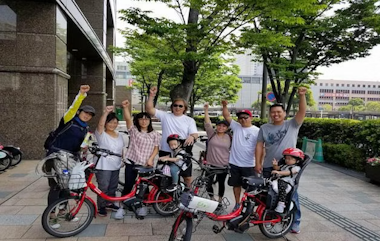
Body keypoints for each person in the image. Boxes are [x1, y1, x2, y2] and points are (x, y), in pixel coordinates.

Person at [255, 86, 307, 234]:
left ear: (284, 113)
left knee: (291, 195)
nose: (276, 114)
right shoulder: (264, 128)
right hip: (268, 167)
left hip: (287, 169)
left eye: (279, 112)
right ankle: (269, 218)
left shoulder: (292, 124)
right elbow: (259, 146)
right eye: (273, 112)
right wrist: (258, 163)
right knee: (269, 194)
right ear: (270, 114)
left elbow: (302, 112)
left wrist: (302, 96)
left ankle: (295, 222)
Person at [46, 85, 95, 207]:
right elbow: (72, 108)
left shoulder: (86, 128)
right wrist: (81, 95)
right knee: (56, 186)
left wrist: (84, 148)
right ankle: (51, 215)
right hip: (56, 156)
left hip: (70, 159)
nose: (87, 116)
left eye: (90, 115)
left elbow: (82, 145)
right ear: (79, 112)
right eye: (85, 113)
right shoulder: (69, 120)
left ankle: (63, 211)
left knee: (66, 184)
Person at [146, 86, 198, 187]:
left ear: (184, 108)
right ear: (172, 107)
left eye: (180, 106)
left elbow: (195, 134)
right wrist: (151, 96)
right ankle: (165, 198)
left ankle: (188, 196)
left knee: (187, 177)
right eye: (175, 105)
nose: (177, 108)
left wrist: (192, 136)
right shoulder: (165, 116)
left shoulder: (189, 120)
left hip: (181, 153)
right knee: (163, 176)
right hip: (166, 151)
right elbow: (150, 109)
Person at [221, 100, 260, 211]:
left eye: (245, 117)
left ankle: (248, 207)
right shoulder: (236, 127)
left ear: (251, 118)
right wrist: (224, 105)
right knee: (236, 185)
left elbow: (261, 148)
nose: (243, 120)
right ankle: (237, 204)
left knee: (250, 188)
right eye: (240, 118)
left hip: (249, 164)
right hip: (234, 163)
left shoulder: (257, 131)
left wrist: (258, 163)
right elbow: (226, 115)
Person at [122, 99, 160, 195]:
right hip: (132, 161)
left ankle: (142, 207)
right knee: (128, 185)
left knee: (144, 186)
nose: (144, 121)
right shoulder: (134, 131)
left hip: (146, 164)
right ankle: (122, 206)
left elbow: (156, 148)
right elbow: (128, 119)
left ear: (149, 121)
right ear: (137, 121)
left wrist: (151, 159)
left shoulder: (154, 134)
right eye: (141, 119)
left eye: (146, 119)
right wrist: (125, 107)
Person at [94, 106, 124, 217]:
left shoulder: (119, 135)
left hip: (115, 165)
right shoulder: (101, 134)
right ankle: (101, 206)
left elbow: (121, 149)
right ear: (106, 123)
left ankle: (110, 203)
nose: (113, 124)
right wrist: (106, 112)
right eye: (110, 122)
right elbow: (100, 125)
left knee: (113, 186)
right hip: (103, 165)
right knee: (103, 187)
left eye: (115, 122)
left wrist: (123, 160)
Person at [203, 103, 231, 202]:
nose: (221, 127)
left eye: (224, 126)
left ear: (227, 128)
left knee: (221, 183)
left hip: (223, 165)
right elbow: (207, 123)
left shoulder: (230, 137)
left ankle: (219, 200)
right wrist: (206, 110)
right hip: (210, 165)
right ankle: (211, 198)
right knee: (208, 183)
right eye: (219, 125)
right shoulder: (211, 134)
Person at [271, 148, 304, 213]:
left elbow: (289, 172)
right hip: (279, 180)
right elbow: (278, 168)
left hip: (287, 183)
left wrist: (279, 173)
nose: (287, 160)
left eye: (289, 159)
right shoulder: (285, 165)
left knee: (282, 187)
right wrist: (274, 165)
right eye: (286, 158)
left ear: (297, 160)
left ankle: (281, 204)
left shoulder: (296, 168)